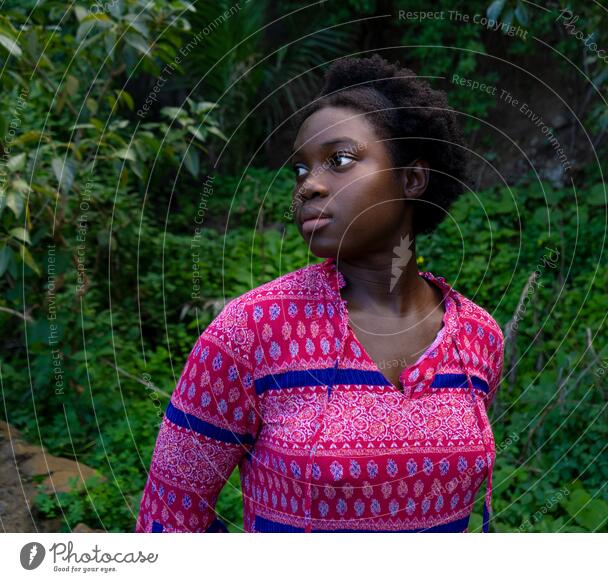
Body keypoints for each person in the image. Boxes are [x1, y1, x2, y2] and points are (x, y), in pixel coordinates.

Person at [135, 54, 505, 533]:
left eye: (340, 160)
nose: (309, 185)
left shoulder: (477, 337)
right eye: (301, 169)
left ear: (412, 178)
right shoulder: (253, 329)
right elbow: (171, 511)